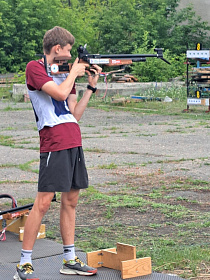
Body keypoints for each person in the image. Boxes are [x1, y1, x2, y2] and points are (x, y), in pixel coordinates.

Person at [13, 26, 102, 280]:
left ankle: (69, 258)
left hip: (73, 138)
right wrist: (74, 72)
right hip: (53, 141)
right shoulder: (35, 68)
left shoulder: (65, 74)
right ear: (57, 49)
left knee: (71, 201)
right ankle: (24, 265)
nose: (70, 55)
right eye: (68, 51)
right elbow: (60, 93)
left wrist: (90, 88)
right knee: (42, 203)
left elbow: (74, 114)